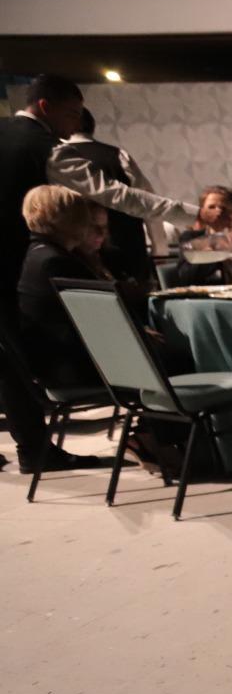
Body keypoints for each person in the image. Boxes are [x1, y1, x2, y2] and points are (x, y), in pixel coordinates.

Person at [0, 73, 87, 473]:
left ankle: (34, 451)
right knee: (14, 370)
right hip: (10, 266)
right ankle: (34, 452)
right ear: (46, 107)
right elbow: (110, 194)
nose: (75, 125)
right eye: (72, 114)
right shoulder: (44, 145)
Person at [48, 107, 198, 279]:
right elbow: (145, 199)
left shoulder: (51, 158)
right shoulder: (117, 155)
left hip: (73, 254)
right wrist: (159, 250)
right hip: (128, 251)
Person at [173, 185, 232, 286]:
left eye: (224, 208)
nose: (218, 212)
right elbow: (184, 278)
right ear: (202, 212)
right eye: (211, 207)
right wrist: (213, 251)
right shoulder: (192, 239)